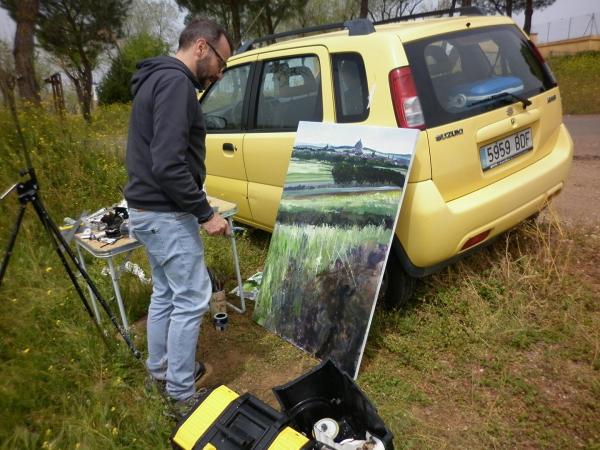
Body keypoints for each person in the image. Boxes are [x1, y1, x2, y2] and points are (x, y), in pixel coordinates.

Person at [123, 18, 232, 416]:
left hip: (146, 210)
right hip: (166, 214)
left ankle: (162, 370)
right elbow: (168, 163)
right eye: (222, 60)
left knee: (167, 293)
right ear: (201, 48)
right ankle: (181, 395)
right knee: (192, 299)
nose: (221, 72)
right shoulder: (175, 84)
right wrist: (204, 213)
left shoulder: (156, 78)